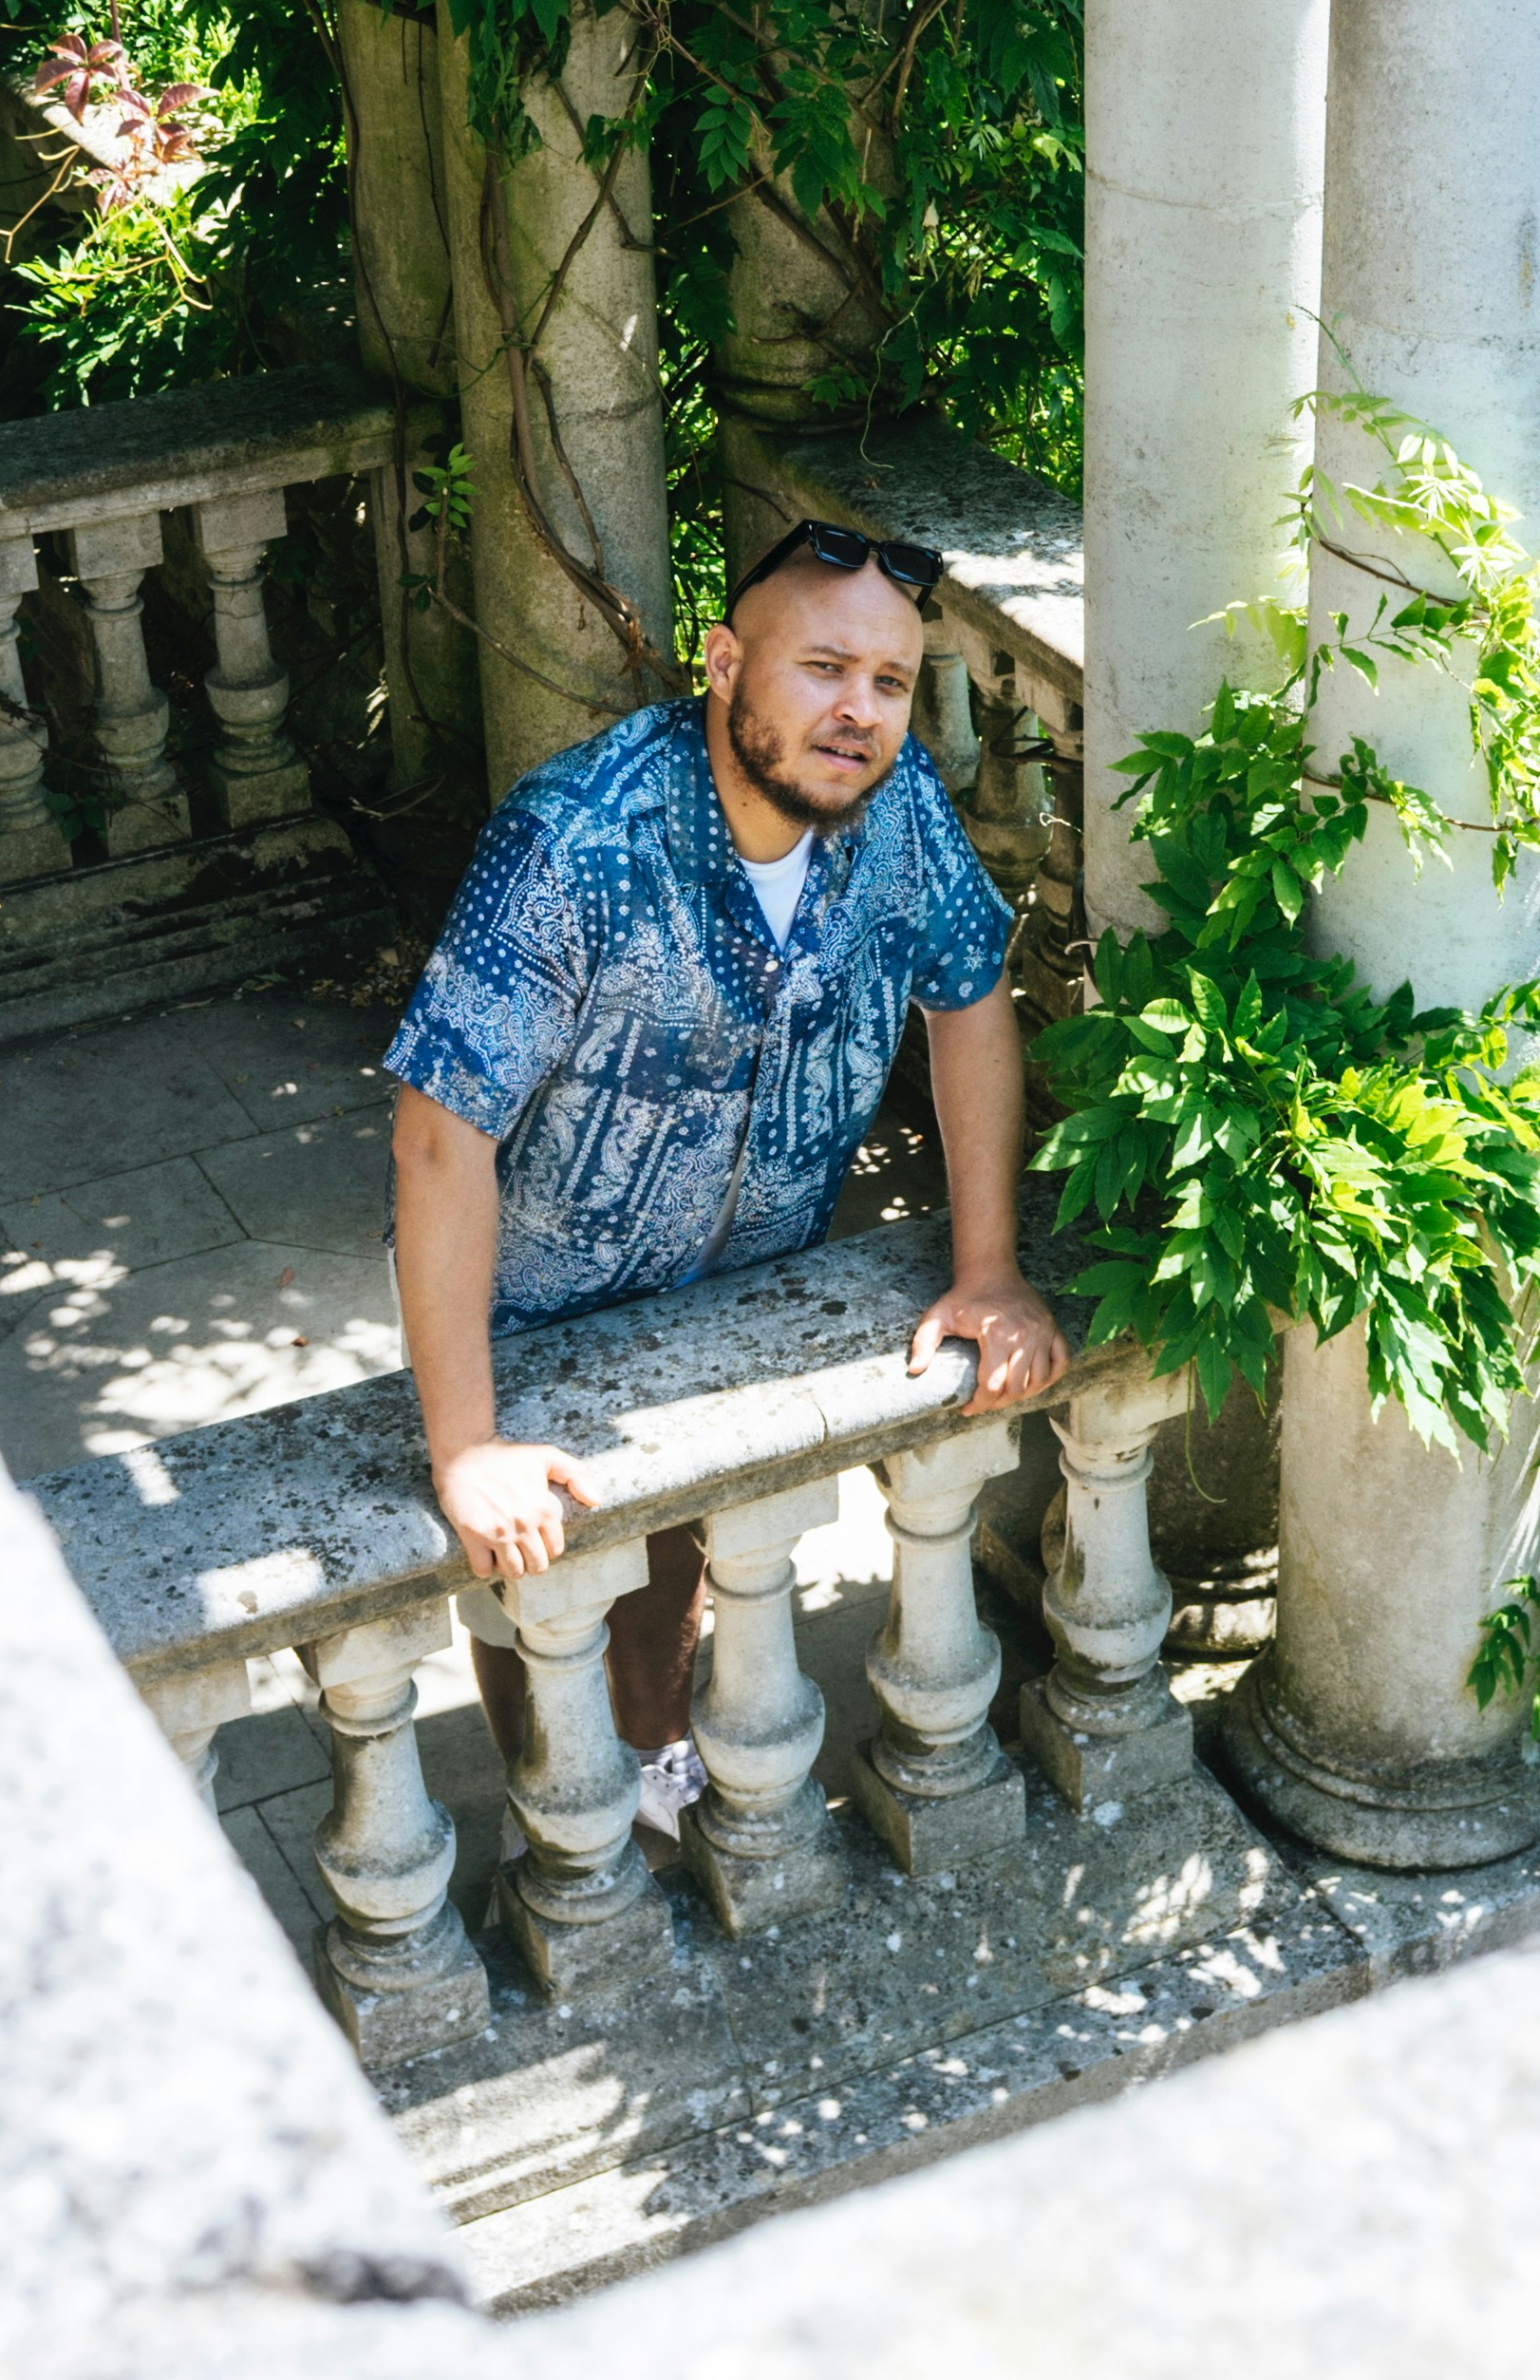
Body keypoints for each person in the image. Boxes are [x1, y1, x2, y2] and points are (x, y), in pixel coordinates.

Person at [384, 514, 1069, 1833]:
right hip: (540, 1326)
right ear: (720, 663)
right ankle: (575, 1794)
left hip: (744, 1290)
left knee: (686, 1574)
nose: (858, 712)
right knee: (548, 1629)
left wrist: (987, 1269)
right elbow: (437, 1134)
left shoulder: (900, 805)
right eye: (822, 668)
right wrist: (466, 1445)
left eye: (888, 682)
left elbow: (971, 999)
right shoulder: (572, 843)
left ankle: (653, 1752)